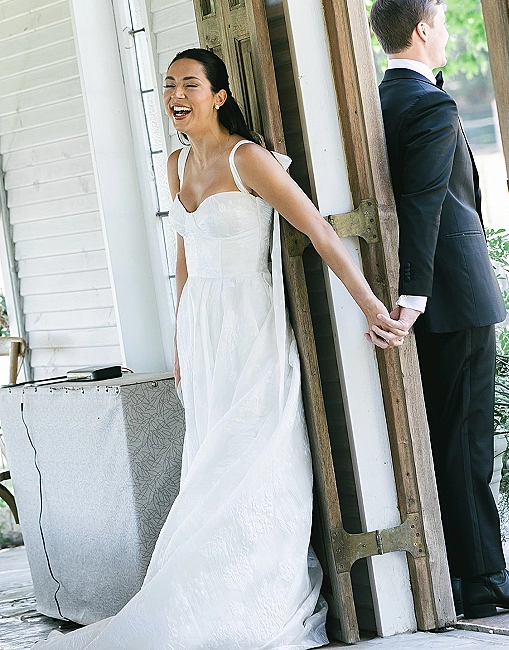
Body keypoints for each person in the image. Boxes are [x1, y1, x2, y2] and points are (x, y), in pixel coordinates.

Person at [34, 49, 407, 649]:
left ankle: (253, 596)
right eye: (168, 85)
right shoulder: (175, 163)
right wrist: (182, 340)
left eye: (189, 84)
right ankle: (197, 593)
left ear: (219, 95)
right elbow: (183, 257)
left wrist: (370, 305)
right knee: (207, 463)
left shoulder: (248, 159)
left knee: (255, 460)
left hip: (251, 326)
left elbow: (317, 230)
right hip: (204, 332)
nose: (176, 94)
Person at [370, 0, 509, 619]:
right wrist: (413, 296)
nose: (448, 33)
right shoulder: (428, 103)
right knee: (468, 445)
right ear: (423, 31)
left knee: (453, 442)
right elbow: (425, 204)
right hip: (449, 296)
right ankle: (484, 578)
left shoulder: (381, 99)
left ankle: (465, 575)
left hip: (436, 299)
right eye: (444, 23)